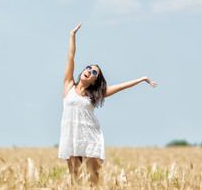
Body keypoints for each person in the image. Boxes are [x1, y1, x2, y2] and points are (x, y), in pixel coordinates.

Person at [58, 22, 157, 185]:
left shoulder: (96, 94)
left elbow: (120, 87)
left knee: (93, 181)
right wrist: (72, 36)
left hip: (90, 138)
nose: (89, 70)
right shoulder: (68, 85)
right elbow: (70, 57)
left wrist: (142, 79)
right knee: (75, 181)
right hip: (71, 137)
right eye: (88, 68)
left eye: (94, 71)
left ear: (96, 80)